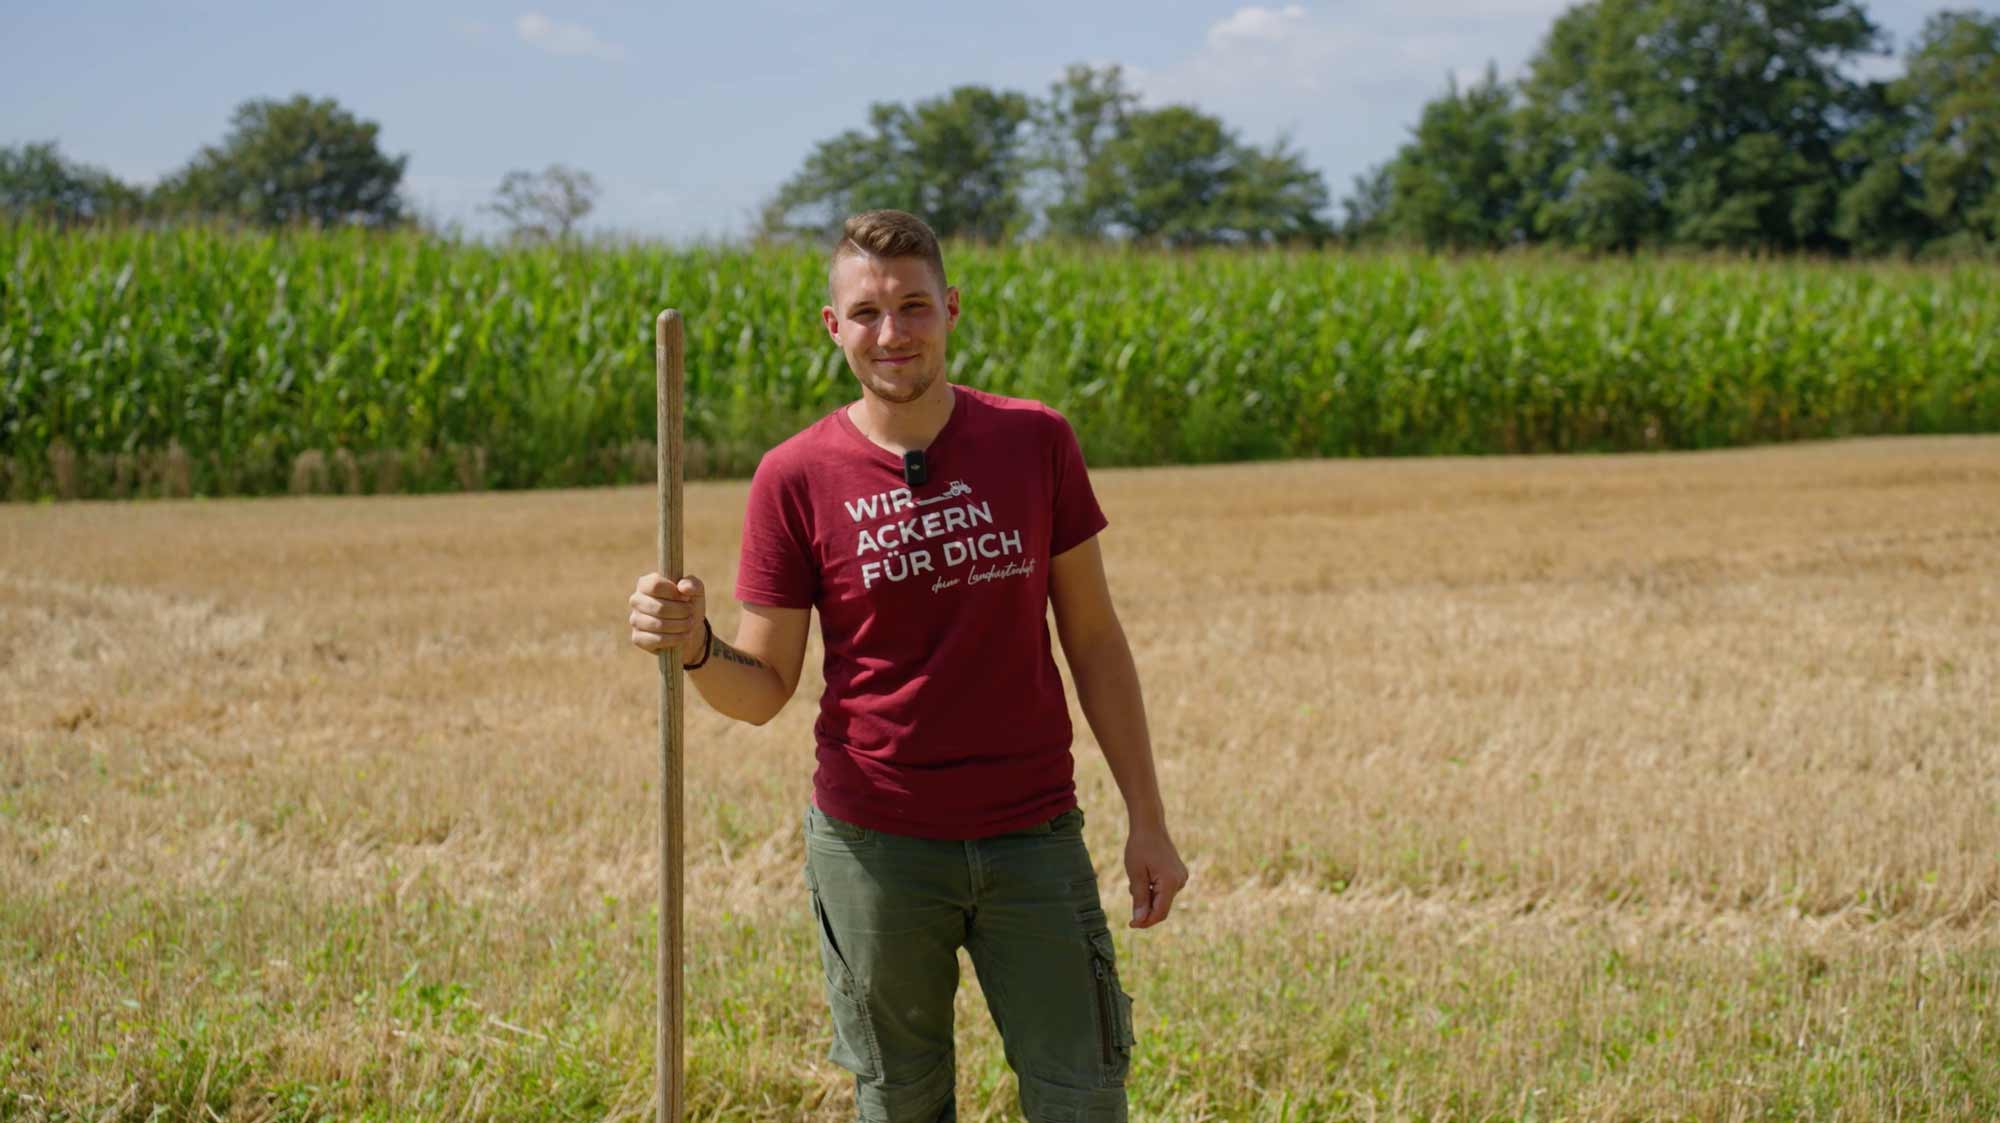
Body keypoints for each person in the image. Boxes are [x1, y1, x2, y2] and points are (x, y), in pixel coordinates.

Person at [626, 209, 1187, 1122]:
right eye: (868, 312)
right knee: (901, 1103)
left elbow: (1094, 638)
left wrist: (1148, 820)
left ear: (952, 309)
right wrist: (691, 646)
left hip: (1034, 836)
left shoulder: (1036, 441)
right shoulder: (795, 476)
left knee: (1084, 1096)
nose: (893, 333)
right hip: (875, 849)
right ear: (833, 324)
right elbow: (763, 688)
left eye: (914, 306)